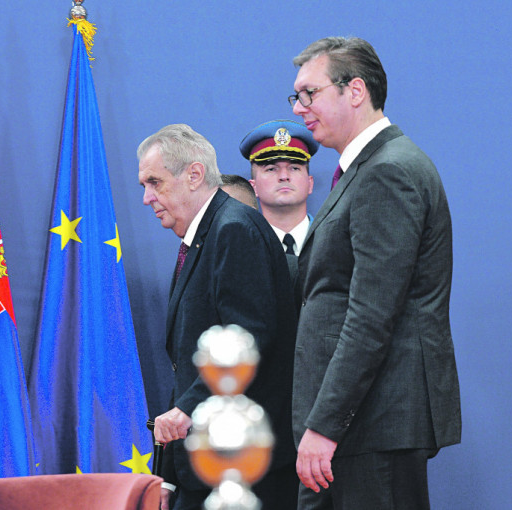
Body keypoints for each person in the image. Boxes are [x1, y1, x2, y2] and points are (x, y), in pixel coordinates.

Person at [288, 37, 461, 509]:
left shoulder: (388, 171)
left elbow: (371, 315)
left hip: (372, 424)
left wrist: (325, 424)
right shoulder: (368, 169)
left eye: (310, 93)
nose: (299, 108)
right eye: (296, 97)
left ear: (356, 91)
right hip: (357, 426)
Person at [138, 124, 298, 510]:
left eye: (155, 182)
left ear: (194, 175)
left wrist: (186, 410)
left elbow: (247, 338)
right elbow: (190, 366)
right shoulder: (203, 238)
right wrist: (169, 476)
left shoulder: (234, 229)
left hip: (243, 468)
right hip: (208, 466)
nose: (146, 198)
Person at [239, 120, 316, 258]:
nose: (284, 176)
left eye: (294, 168)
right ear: (253, 187)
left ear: (310, 183)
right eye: (271, 169)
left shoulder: (337, 241)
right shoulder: (239, 249)